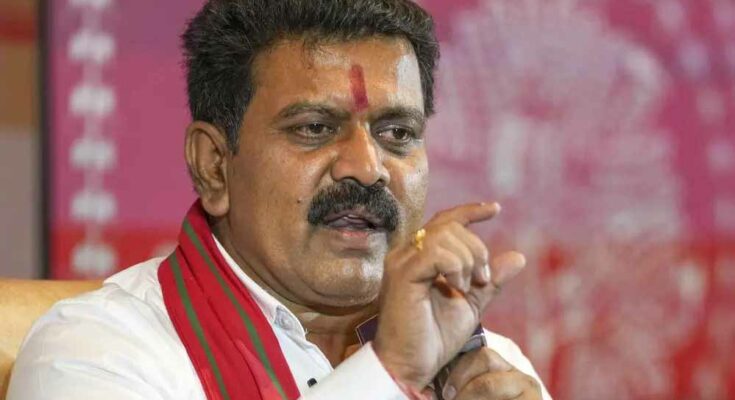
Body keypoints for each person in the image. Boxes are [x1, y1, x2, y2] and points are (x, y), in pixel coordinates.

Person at [9, 0, 552, 399]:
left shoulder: (483, 369)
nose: (367, 167)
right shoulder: (96, 352)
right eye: (315, 128)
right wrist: (389, 375)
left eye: (397, 133)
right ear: (214, 166)